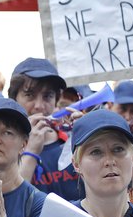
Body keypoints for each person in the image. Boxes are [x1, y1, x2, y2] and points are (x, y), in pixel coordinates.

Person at [8, 57, 81, 201]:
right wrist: (31, 151)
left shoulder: (69, 143)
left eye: (48, 96)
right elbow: (12, 200)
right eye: (29, 95)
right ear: (14, 98)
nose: (39, 106)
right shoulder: (3, 146)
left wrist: (87, 139)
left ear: (56, 100)